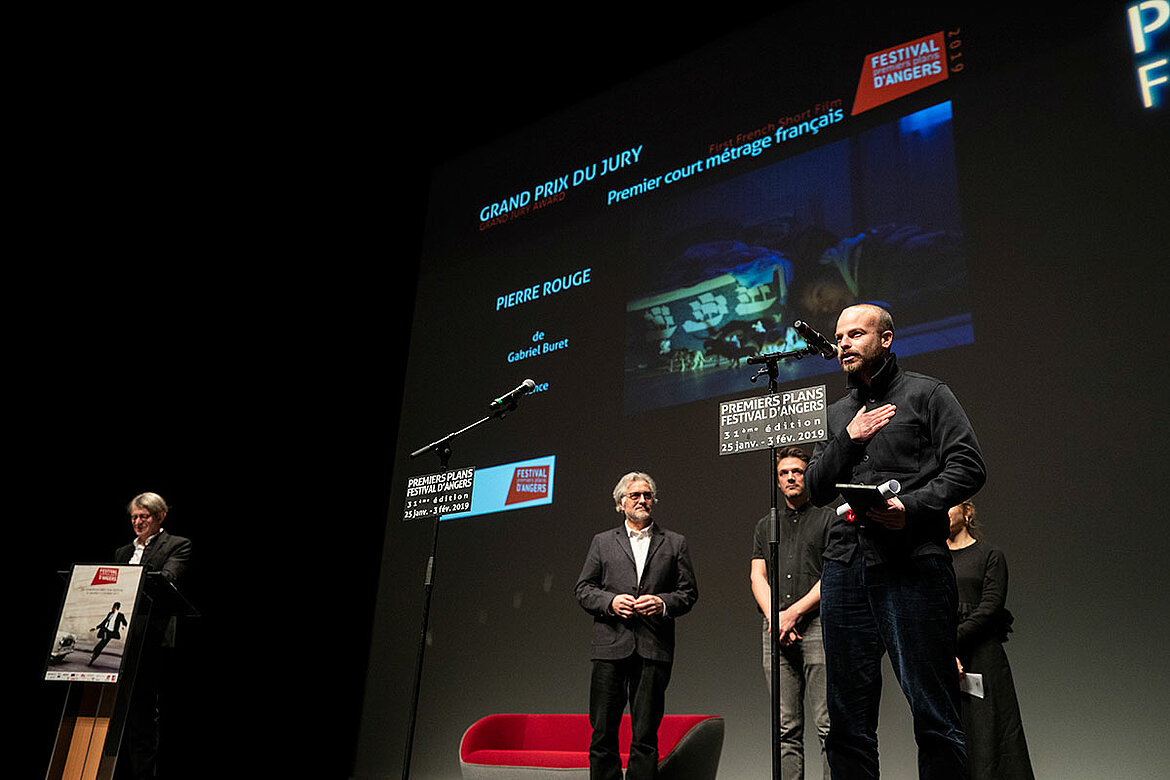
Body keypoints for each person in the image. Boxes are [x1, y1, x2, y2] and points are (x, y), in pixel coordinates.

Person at [805, 303, 986, 779]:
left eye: (855, 334)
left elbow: (969, 466)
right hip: (845, 568)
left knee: (933, 713)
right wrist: (848, 436)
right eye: (839, 336)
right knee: (846, 721)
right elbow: (816, 488)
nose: (842, 343)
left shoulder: (927, 394)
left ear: (885, 340)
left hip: (912, 565)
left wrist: (910, 506)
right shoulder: (839, 414)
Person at [574, 472, 699, 780]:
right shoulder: (602, 542)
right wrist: (610, 602)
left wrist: (663, 603)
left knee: (645, 735)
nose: (643, 500)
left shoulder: (674, 542)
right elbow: (584, 589)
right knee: (603, 732)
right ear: (620, 503)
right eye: (635, 496)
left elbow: (688, 593)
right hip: (610, 645)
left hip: (653, 647)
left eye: (647, 495)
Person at [750, 445, 832, 780]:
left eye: (797, 471)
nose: (790, 477)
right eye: (784, 473)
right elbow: (757, 575)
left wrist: (793, 613)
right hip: (775, 630)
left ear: (807, 475)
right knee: (785, 729)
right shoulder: (765, 525)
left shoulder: (827, 519)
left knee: (828, 726)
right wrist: (776, 616)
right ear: (778, 481)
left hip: (816, 629)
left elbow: (832, 577)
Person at [947, 500, 1035, 780]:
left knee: (990, 734)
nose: (942, 512)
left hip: (982, 655)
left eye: (950, 505)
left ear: (968, 511)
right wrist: (943, 651)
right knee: (949, 737)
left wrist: (951, 642)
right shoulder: (933, 557)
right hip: (944, 659)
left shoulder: (990, 555)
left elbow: (990, 607)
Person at [115, 492, 193, 780]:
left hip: (153, 638)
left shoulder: (178, 545)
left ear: (160, 516)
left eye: (144, 516)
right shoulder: (122, 553)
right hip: (122, 640)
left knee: (145, 713)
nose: (137, 522)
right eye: (134, 517)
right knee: (125, 712)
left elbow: (168, 577)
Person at [89, 602, 129, 666]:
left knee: (103, 644)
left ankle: (94, 655)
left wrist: (123, 627)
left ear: (115, 607)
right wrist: (96, 627)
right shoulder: (110, 614)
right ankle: (94, 652)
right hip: (105, 630)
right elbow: (104, 621)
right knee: (103, 641)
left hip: (111, 633)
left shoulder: (120, 615)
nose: (112, 608)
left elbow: (125, 622)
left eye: (113, 607)